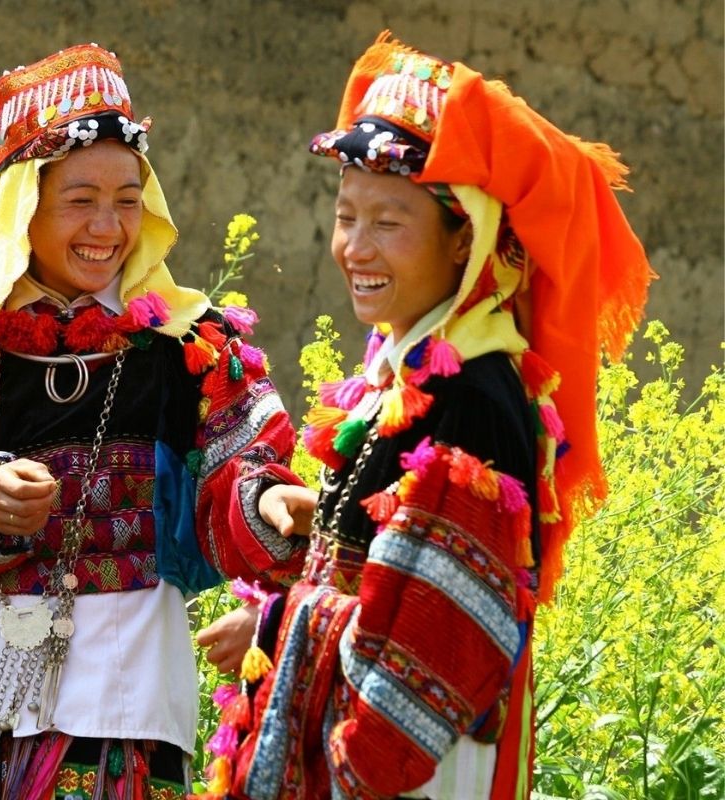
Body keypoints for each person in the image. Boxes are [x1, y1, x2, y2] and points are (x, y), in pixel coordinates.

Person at [194, 33, 653, 799]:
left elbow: (425, 655)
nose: (355, 248)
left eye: (390, 222)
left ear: (464, 242)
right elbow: (396, 564)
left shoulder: (472, 399)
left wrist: (274, 630)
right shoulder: (413, 377)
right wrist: (328, 518)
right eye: (346, 216)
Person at [0, 44, 303, 798]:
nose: (108, 226)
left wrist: (268, 502)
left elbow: (243, 472)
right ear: (21, 206)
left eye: (128, 199)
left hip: (121, 707)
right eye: (80, 199)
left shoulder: (191, 344)